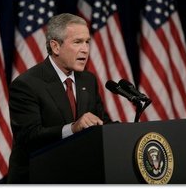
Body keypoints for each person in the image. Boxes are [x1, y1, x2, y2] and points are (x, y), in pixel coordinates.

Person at [7, 13, 112, 183]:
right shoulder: (26, 85)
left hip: (79, 176)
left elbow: (102, 123)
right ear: (55, 47)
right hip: (38, 178)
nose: (85, 49)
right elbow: (29, 137)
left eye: (87, 42)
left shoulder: (88, 80)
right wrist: (73, 128)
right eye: (77, 42)